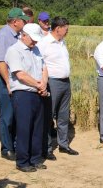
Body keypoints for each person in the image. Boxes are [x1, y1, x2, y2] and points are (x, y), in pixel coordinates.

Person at [5, 23, 48, 172]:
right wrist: (39, 85)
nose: (35, 42)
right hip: (23, 94)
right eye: (33, 39)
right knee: (24, 129)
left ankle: (35, 159)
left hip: (37, 93)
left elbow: (44, 68)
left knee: (37, 128)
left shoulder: (36, 49)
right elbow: (21, 75)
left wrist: (43, 84)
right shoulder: (14, 50)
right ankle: (22, 162)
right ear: (24, 35)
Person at [37, 16, 78, 159]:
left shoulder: (62, 42)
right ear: (58, 28)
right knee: (48, 116)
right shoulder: (44, 43)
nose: (67, 31)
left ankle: (63, 145)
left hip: (66, 82)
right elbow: (40, 65)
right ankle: (46, 148)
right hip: (52, 82)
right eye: (66, 28)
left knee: (63, 115)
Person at [0, 7, 29, 161]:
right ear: (15, 22)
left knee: (16, 114)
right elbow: (0, 62)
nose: (25, 22)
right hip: (4, 79)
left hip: (16, 80)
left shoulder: (18, 35)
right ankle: (6, 148)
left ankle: (14, 145)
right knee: (7, 115)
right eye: (23, 20)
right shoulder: (3, 36)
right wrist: (8, 82)